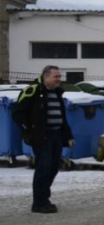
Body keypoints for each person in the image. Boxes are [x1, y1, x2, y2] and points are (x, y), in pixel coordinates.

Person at [12, 65, 75, 214]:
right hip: (42, 137)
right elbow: (17, 114)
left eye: (60, 76)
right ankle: (39, 203)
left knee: (53, 167)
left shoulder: (57, 93)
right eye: (56, 77)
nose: (59, 79)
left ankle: (44, 199)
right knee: (44, 168)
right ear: (46, 77)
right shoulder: (33, 91)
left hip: (56, 135)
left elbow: (62, 117)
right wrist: (29, 132)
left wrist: (68, 135)